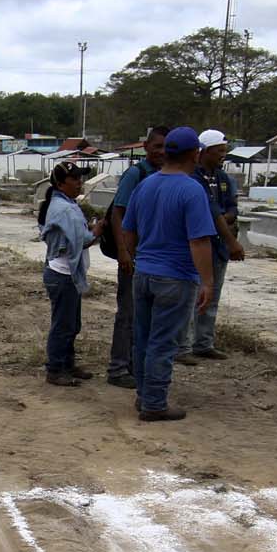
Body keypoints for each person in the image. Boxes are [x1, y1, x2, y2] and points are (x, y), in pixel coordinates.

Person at [120, 126, 216, 422]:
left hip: (145, 274)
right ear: (195, 153)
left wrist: (139, 259)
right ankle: (155, 403)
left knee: (144, 338)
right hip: (176, 277)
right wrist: (208, 281)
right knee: (163, 343)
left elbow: (128, 230)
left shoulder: (146, 185)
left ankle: (143, 395)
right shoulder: (191, 189)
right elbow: (199, 240)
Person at [105, 126, 168, 389]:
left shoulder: (168, 175)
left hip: (156, 257)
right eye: (157, 147)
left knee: (147, 317)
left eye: (167, 147)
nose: (162, 152)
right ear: (146, 148)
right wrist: (123, 251)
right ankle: (118, 368)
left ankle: (135, 364)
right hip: (134, 255)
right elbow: (118, 213)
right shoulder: (136, 174)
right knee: (128, 313)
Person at [175, 129, 240, 364]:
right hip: (199, 245)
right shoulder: (194, 179)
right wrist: (223, 225)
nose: (223, 155)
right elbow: (210, 213)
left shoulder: (223, 179)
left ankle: (203, 342)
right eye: (219, 151)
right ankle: (183, 345)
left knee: (212, 295)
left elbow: (230, 207)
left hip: (218, 246)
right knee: (192, 295)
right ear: (204, 151)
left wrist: (225, 219)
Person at [38, 162, 103, 386]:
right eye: (74, 179)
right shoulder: (64, 208)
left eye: (80, 178)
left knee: (71, 323)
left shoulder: (65, 204)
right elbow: (82, 240)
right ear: (61, 183)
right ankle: (55, 369)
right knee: (64, 325)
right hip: (62, 274)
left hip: (65, 273)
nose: (79, 183)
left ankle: (66, 363)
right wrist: (96, 231)